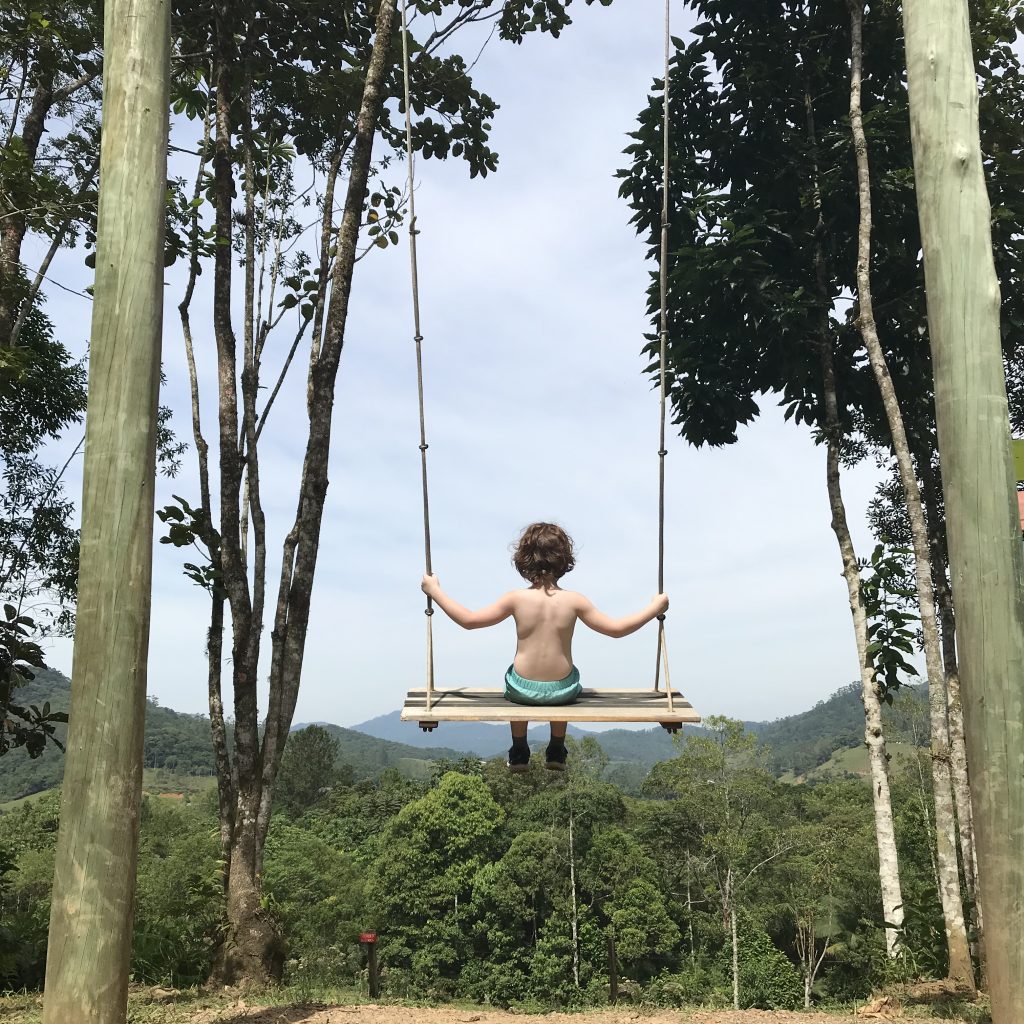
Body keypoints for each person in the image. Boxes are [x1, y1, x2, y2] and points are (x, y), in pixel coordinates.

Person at [420, 522, 669, 773]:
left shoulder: (515, 598)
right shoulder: (575, 601)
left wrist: (435, 591)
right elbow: (616, 629)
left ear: (524, 559)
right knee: (567, 679)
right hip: (563, 691)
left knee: (514, 678)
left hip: (521, 689)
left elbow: (469, 621)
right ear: (563, 560)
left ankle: (519, 750)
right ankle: (556, 749)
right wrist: (654, 608)